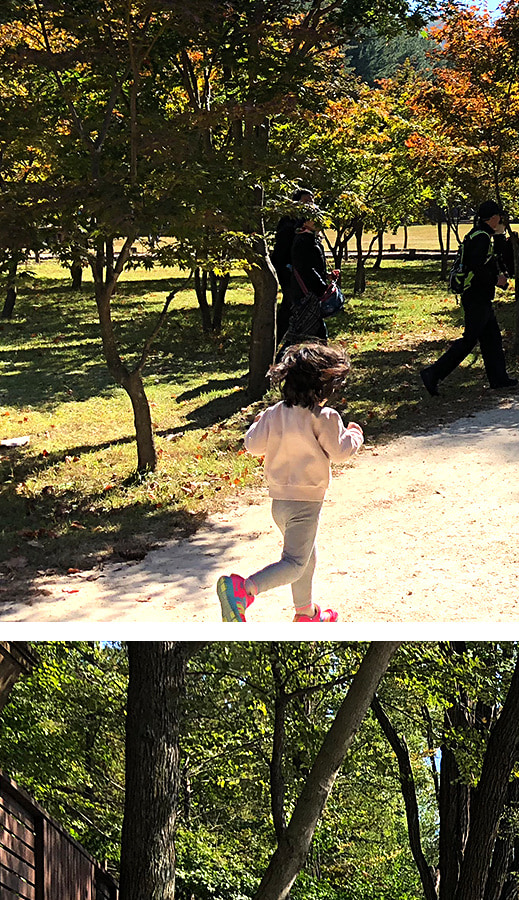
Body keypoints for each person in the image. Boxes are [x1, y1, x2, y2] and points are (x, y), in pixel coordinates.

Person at [216, 342, 363, 623]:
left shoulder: (274, 413)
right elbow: (340, 452)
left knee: (305, 555)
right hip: (306, 503)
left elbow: (252, 445)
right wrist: (355, 434)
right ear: (323, 387)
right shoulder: (325, 417)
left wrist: (258, 422)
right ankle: (243, 590)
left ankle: (305, 612)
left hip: (280, 504)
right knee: (295, 563)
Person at [420, 200, 518, 396]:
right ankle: (433, 373)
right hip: (476, 296)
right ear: (493, 217)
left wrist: (499, 235)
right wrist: (495, 280)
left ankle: (499, 379)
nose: (501, 219)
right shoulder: (480, 238)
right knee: (469, 340)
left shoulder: (480, 234)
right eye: (498, 216)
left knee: (492, 339)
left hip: (480, 296)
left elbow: (496, 257)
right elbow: (476, 268)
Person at [282, 209, 332, 347]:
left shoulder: (312, 239)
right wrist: (322, 286)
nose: (319, 221)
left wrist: (326, 275)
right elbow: (306, 269)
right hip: (305, 293)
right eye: (315, 219)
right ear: (306, 222)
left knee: (313, 332)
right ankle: (282, 363)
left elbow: (314, 266)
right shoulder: (303, 240)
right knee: (299, 334)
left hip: (309, 292)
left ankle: (322, 362)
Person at [271, 188, 314, 344]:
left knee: (298, 305)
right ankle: (278, 340)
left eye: (312, 201)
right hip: (288, 269)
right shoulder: (289, 221)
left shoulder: (309, 222)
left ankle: (293, 340)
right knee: (291, 304)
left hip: (301, 270)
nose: (310, 205)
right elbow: (282, 248)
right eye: (306, 201)